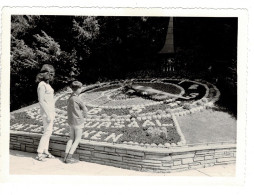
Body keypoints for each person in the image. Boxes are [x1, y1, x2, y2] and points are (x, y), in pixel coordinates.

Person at [64, 81, 88, 164]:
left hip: (71, 122)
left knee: (71, 138)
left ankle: (65, 156)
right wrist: (86, 115)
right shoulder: (78, 99)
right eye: (80, 88)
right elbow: (85, 109)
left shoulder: (70, 97)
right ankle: (69, 158)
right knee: (77, 139)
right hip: (78, 122)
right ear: (77, 89)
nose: (81, 89)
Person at [35, 64, 56, 161]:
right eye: (50, 74)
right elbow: (41, 100)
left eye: (52, 74)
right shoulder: (41, 85)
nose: (51, 76)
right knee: (47, 133)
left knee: (48, 132)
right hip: (46, 113)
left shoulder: (47, 85)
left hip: (51, 112)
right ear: (45, 74)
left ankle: (45, 151)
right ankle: (39, 153)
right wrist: (48, 114)